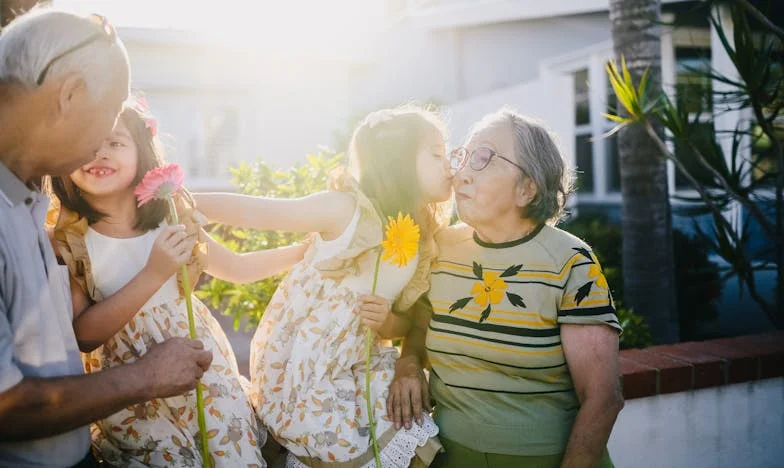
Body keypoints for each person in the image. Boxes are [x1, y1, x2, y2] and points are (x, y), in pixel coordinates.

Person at [0, 9, 212, 467]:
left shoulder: (24, 201)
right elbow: (5, 406)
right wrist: (145, 377)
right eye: (108, 119)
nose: (102, 143)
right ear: (69, 94)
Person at [50, 100, 307, 467]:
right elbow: (85, 335)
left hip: (203, 370)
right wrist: (154, 274)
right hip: (134, 396)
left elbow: (235, 266)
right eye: (86, 143)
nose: (99, 153)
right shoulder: (67, 240)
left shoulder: (170, 217)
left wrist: (301, 253)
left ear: (143, 153)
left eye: (115, 143)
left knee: (231, 456)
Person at [192, 106, 453, 467]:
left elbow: (402, 324)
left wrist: (386, 322)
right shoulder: (348, 211)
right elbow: (266, 213)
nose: (449, 165)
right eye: (437, 154)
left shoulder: (422, 236)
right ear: (399, 162)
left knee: (405, 422)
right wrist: (189, 202)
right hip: (309, 369)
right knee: (356, 438)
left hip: (360, 359)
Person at [387, 109, 624, 468]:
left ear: (526, 188)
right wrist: (407, 364)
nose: (461, 172)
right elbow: (420, 327)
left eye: (483, 158)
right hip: (448, 456)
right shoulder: (440, 248)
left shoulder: (570, 262)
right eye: (463, 156)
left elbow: (602, 397)